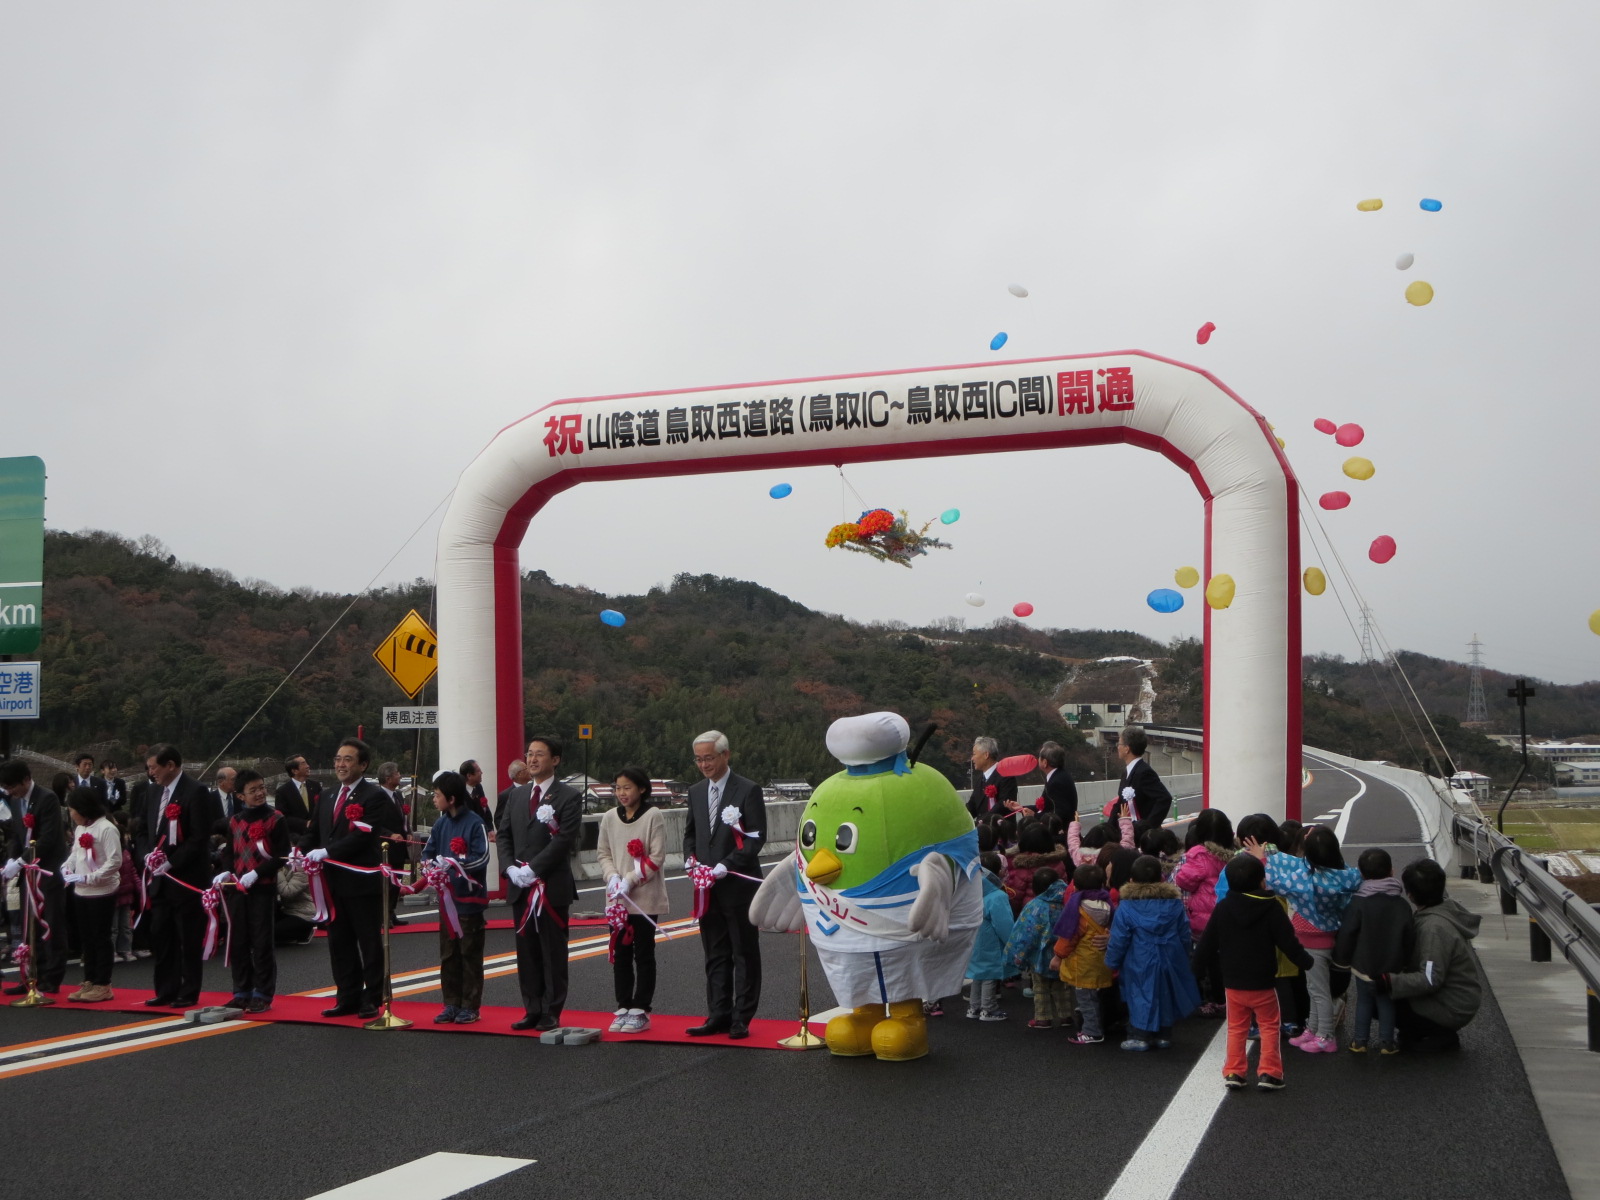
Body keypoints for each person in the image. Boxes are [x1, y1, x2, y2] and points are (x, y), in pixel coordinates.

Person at [1192, 854, 1314, 1091]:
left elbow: (1207, 943)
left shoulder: (1224, 908)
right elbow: (1287, 941)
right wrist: (1306, 962)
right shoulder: (1271, 907)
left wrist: (1195, 970)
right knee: (1269, 1025)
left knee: (1237, 1027)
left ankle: (1234, 1072)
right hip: (1263, 982)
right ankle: (1270, 1073)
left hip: (1233, 982)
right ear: (1261, 881)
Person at [298, 738, 398, 1019]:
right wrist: (299, 850)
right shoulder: (327, 795)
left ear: (363, 765)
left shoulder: (373, 796)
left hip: (361, 881)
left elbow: (361, 835)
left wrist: (326, 851)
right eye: (338, 759)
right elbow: (315, 832)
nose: (341, 764)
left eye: (348, 759)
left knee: (368, 942)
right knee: (338, 942)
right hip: (331, 882)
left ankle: (372, 998)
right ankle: (347, 996)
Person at [681, 729, 766, 1038]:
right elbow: (691, 833)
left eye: (710, 758)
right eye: (699, 759)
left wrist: (726, 865)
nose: (704, 765)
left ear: (725, 755)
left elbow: (755, 838)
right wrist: (691, 859)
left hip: (738, 884)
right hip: (707, 886)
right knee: (714, 952)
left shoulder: (748, 790)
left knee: (743, 950)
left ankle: (742, 1016)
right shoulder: (695, 791)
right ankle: (718, 1013)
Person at [1248, 825, 1361, 1053]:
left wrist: (1263, 859)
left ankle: (1326, 1036)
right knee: (1314, 988)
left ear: (1309, 854)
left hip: (1313, 942)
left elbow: (1275, 881)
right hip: (1327, 937)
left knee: (1319, 990)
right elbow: (1292, 863)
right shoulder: (1345, 875)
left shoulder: (1307, 880)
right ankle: (1312, 1028)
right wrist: (1269, 852)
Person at [497, 735, 582, 1032]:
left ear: (555, 760)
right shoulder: (516, 796)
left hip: (550, 885)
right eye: (529, 754)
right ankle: (531, 1007)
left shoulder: (568, 796)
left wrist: (534, 869)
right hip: (520, 885)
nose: (532, 759)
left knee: (552, 950)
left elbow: (564, 840)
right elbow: (504, 834)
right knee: (527, 950)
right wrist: (509, 868)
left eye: (540, 754)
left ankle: (551, 1009)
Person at [1373, 858, 1481, 1051]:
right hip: (1458, 998)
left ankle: (1439, 1034)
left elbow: (1431, 979)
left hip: (1452, 1006)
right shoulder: (1442, 910)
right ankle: (1418, 1031)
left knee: (1377, 998)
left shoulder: (1434, 929)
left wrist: (1390, 981)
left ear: (1410, 894)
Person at [137, 744, 215, 1008]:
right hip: (158, 881)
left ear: (170, 765)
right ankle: (165, 989)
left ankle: (188, 990)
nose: (150, 772)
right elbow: (142, 832)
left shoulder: (196, 791)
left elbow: (198, 837)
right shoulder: (152, 792)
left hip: (186, 878)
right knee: (161, 934)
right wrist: (147, 855)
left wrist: (170, 863)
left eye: (153, 767)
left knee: (188, 937)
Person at [596, 766, 669, 1033]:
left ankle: (641, 1008)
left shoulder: (653, 815)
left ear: (641, 789)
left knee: (644, 952)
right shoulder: (608, 818)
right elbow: (603, 853)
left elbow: (657, 856)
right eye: (618, 788)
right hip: (617, 897)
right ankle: (623, 1005)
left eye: (627, 787)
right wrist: (613, 877)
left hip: (644, 897)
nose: (622, 793)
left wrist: (630, 879)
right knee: (620, 952)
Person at [1104, 855, 1202, 1050]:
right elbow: (1184, 932)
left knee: (1140, 994)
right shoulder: (1174, 904)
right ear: (1161, 879)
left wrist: (1111, 961)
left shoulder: (1127, 906)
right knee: (1164, 992)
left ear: (1131, 880)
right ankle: (1163, 1035)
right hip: (1170, 954)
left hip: (1139, 958)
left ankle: (1139, 1036)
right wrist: (1184, 955)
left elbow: (1119, 938)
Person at [213, 769, 290, 1013]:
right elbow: (229, 852)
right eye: (252, 790)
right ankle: (241, 991)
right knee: (237, 940)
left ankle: (263, 993)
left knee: (262, 941)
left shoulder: (276, 818)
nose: (259, 793)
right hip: (237, 889)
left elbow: (282, 856)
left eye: (261, 788)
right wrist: (225, 871)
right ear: (240, 796)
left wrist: (257, 873)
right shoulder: (235, 821)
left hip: (263, 889)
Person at [422, 771, 490, 1025]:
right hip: (446, 898)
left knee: (469, 953)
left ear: (451, 798)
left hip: (469, 900)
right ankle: (450, 1003)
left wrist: (455, 864)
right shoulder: (440, 824)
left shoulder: (475, 823)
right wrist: (429, 865)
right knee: (448, 954)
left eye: (437, 795)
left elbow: (482, 857)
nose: (434, 799)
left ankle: (470, 1005)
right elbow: (427, 851)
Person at [1334, 848, 1416, 1055]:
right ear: (1391, 871)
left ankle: (1360, 1041)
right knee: (1387, 1001)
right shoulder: (1401, 904)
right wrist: (1407, 961)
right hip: (1392, 965)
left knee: (1364, 1000)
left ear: (1361, 874)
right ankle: (1387, 1042)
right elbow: (1409, 935)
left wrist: (1341, 960)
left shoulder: (1359, 902)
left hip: (1364, 964)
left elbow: (1348, 933)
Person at [1, 760, 67, 995]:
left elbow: (48, 839)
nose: (10, 792)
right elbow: (16, 837)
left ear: (26, 780)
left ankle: (52, 977)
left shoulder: (47, 798)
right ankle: (30, 976)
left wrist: (21, 861)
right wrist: (12, 859)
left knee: (51, 923)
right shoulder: (16, 801)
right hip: (28, 874)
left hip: (47, 871)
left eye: (12, 787)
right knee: (30, 926)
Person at [1172, 808, 1237, 1017]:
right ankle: (1223, 999)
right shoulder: (1235, 855)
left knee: (1203, 960)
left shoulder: (1199, 854)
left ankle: (1204, 999)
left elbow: (1183, 880)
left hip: (1203, 918)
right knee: (1223, 961)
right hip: (1229, 914)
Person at [60, 787, 122, 1003]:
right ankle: (90, 980)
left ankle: (103, 983)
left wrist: (91, 877)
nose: (71, 814)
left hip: (102, 891)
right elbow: (75, 854)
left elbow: (115, 861)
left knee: (100, 937)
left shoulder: (106, 828)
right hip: (80, 891)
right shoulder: (79, 829)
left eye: (72, 810)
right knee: (86, 938)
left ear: (84, 809)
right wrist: (66, 869)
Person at [1051, 863, 1115, 1045]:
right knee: (1093, 997)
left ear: (1076, 886)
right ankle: (1092, 1026)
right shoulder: (1106, 904)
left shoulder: (1078, 910)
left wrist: (1057, 956)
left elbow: (1069, 937)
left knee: (1086, 998)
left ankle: (1092, 1032)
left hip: (1083, 964)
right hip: (1100, 961)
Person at [1005, 867, 1072, 1029]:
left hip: (1039, 958)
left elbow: (1023, 933)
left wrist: (1015, 956)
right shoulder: (1068, 902)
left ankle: (1043, 1018)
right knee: (1062, 987)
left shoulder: (1034, 906)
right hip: (1063, 955)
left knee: (1040, 988)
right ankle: (1066, 1016)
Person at [966, 852, 1015, 1021]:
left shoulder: (973, 894)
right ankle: (988, 1008)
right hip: (991, 942)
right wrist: (1012, 943)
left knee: (978, 975)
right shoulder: (997, 896)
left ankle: (974, 1007)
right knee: (989, 975)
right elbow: (1004, 924)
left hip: (975, 940)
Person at [110, 811, 138, 961]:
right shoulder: (112, 854)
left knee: (126, 925)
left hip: (127, 894)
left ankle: (126, 949)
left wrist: (138, 887)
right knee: (113, 927)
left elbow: (133, 871)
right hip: (114, 893)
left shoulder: (126, 853)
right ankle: (113, 951)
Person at [967, 737, 1015, 821]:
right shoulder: (980, 780)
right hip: (982, 831)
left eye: (974, 754)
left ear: (986, 755)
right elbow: (972, 805)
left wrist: (981, 822)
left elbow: (1002, 806)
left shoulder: (1006, 776)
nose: (972, 758)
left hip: (1000, 830)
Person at [1068, 805, 1135, 866]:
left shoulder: (1080, 857)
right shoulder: (1117, 855)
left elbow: (1072, 841)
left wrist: (1075, 824)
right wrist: (1125, 820)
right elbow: (1127, 840)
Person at [274, 755, 319, 835]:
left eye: (306, 763)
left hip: (317, 835)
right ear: (295, 771)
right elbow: (283, 817)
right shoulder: (282, 792)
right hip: (297, 837)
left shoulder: (316, 786)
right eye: (303, 764)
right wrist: (305, 823)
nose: (308, 766)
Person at [1037, 743, 1078, 822]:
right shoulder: (1059, 775)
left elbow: (1059, 813)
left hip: (1061, 830)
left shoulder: (1056, 782)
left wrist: (1035, 816)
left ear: (1045, 763)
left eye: (1039, 757)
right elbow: (1047, 806)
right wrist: (1022, 808)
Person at [275, 867, 317, 945]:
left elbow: (287, 892)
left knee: (271, 933)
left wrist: (277, 871)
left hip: (303, 913)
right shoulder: (285, 867)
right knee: (262, 929)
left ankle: (305, 932)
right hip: (287, 909)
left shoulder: (302, 870)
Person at [494, 760, 530, 827]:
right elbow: (498, 820)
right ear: (519, 774)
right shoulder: (505, 795)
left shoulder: (533, 790)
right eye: (526, 768)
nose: (529, 770)